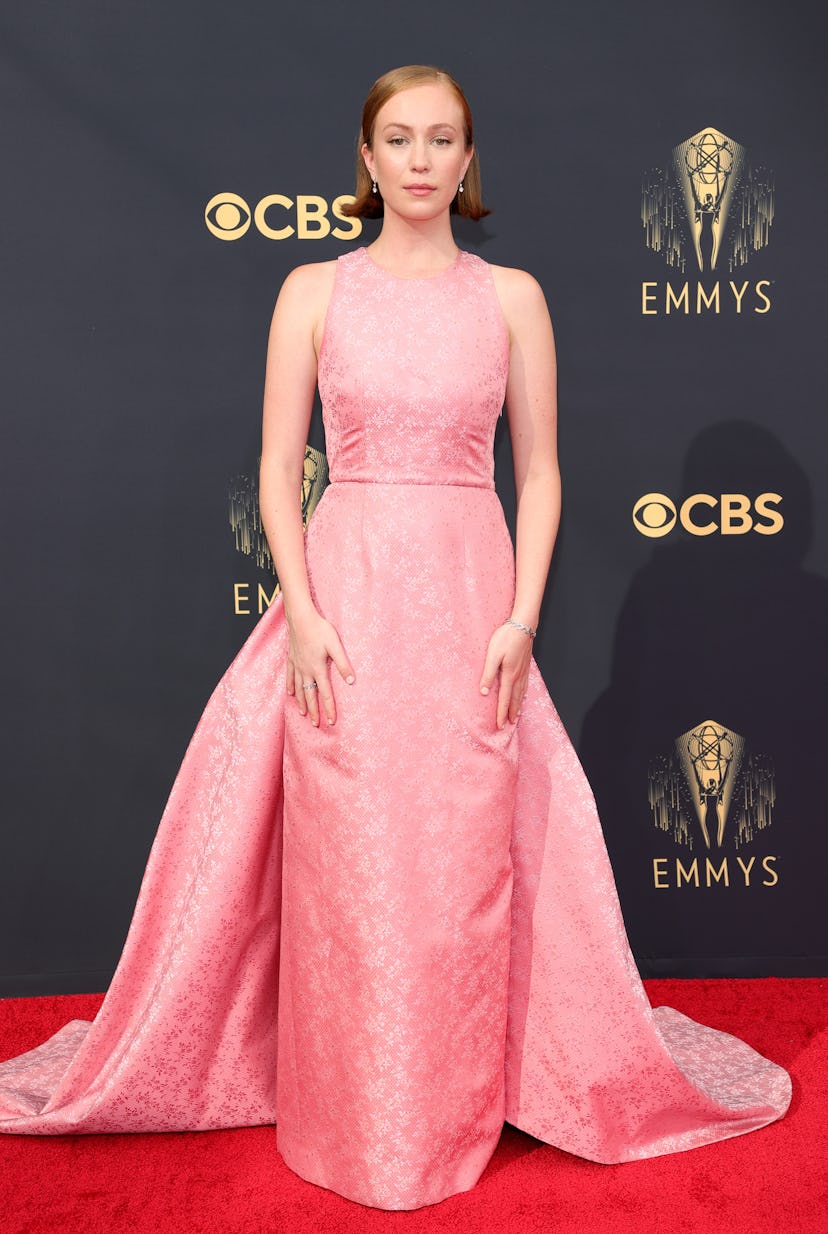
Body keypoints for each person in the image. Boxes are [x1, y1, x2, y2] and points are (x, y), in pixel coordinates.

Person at [0, 65, 791, 1211]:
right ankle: (347, 1116)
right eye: (399, 139)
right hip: (349, 606)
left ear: (470, 161)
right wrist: (306, 610)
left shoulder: (511, 296)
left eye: (443, 140)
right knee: (351, 869)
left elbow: (544, 472)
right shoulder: (311, 291)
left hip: (472, 603)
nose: (421, 161)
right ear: (365, 160)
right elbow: (279, 468)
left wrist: (521, 616)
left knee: (459, 864)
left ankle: (455, 1108)